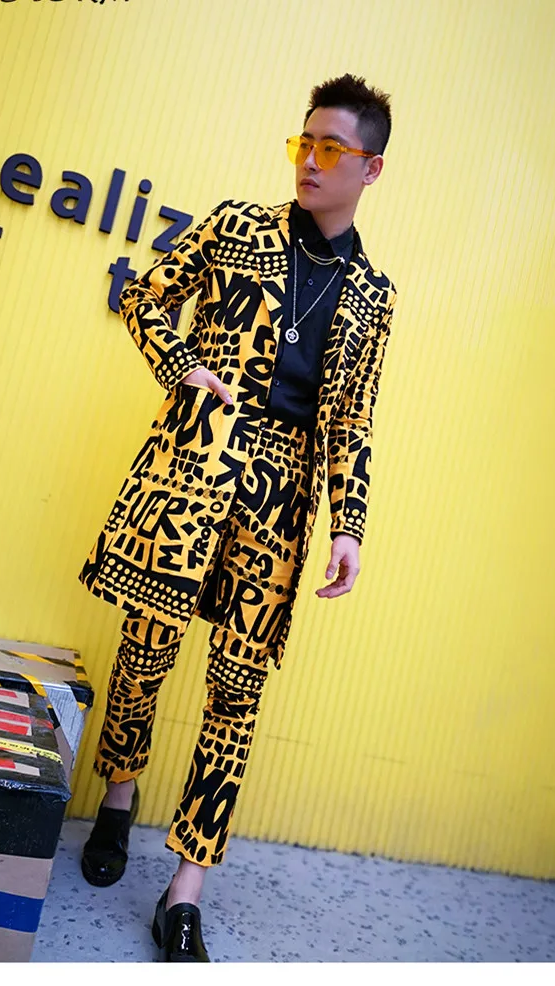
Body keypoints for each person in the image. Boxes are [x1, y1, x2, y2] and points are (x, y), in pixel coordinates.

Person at [77, 72, 397, 962]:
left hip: (282, 498)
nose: (311, 160)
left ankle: (186, 886)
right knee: (145, 651)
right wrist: (182, 366)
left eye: (331, 148)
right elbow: (144, 296)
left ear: (370, 168)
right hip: (193, 469)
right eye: (304, 142)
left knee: (238, 691)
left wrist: (348, 524)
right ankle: (117, 796)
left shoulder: (374, 296)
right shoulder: (235, 227)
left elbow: (352, 419)